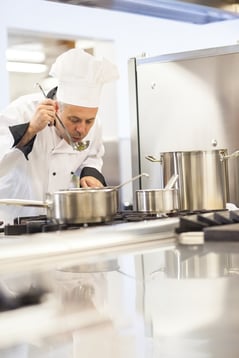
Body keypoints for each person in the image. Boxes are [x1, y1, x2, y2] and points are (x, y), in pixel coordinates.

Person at [0, 48, 119, 223]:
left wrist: (91, 174)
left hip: (58, 220)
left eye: (89, 121)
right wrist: (30, 130)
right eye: (74, 119)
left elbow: (92, 156)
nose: (82, 129)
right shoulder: (21, 111)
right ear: (56, 108)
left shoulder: (94, 124)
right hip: (12, 221)